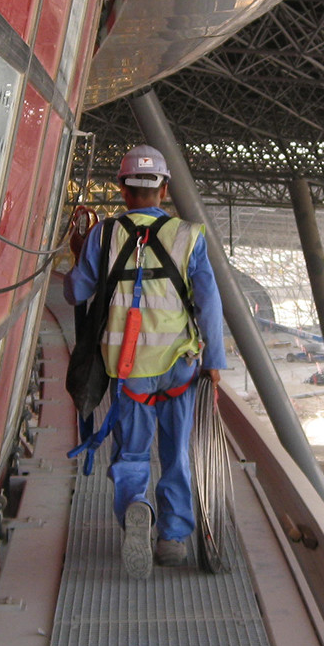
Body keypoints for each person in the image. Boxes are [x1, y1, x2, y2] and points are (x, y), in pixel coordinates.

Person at [66, 144, 228, 579]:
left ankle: (138, 507)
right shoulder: (187, 236)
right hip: (179, 366)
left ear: (122, 188)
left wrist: (80, 256)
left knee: (133, 453)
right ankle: (173, 537)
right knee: (176, 452)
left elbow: (77, 293)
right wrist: (214, 359)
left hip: (128, 370)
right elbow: (209, 302)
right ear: (164, 189)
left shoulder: (104, 235)